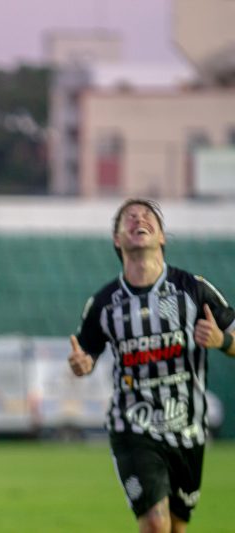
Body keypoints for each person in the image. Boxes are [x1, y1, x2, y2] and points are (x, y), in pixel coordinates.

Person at [68, 198, 235, 533]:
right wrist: (81, 365)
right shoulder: (104, 304)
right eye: (128, 218)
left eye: (147, 216)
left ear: (162, 237)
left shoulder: (193, 290)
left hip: (188, 429)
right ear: (117, 239)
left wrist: (223, 341)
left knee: (175, 527)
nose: (138, 220)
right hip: (133, 427)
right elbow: (85, 355)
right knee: (156, 525)